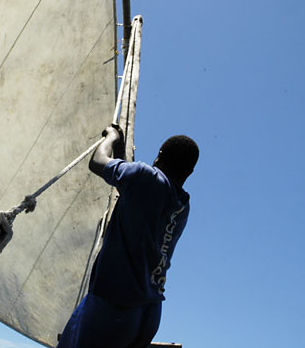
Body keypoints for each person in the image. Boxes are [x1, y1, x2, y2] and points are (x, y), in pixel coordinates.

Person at [57, 124, 199, 348]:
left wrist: (111, 138)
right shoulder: (182, 206)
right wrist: (123, 152)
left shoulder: (145, 177)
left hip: (113, 305)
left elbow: (97, 162)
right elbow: (133, 192)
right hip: (147, 316)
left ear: (159, 155)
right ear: (189, 172)